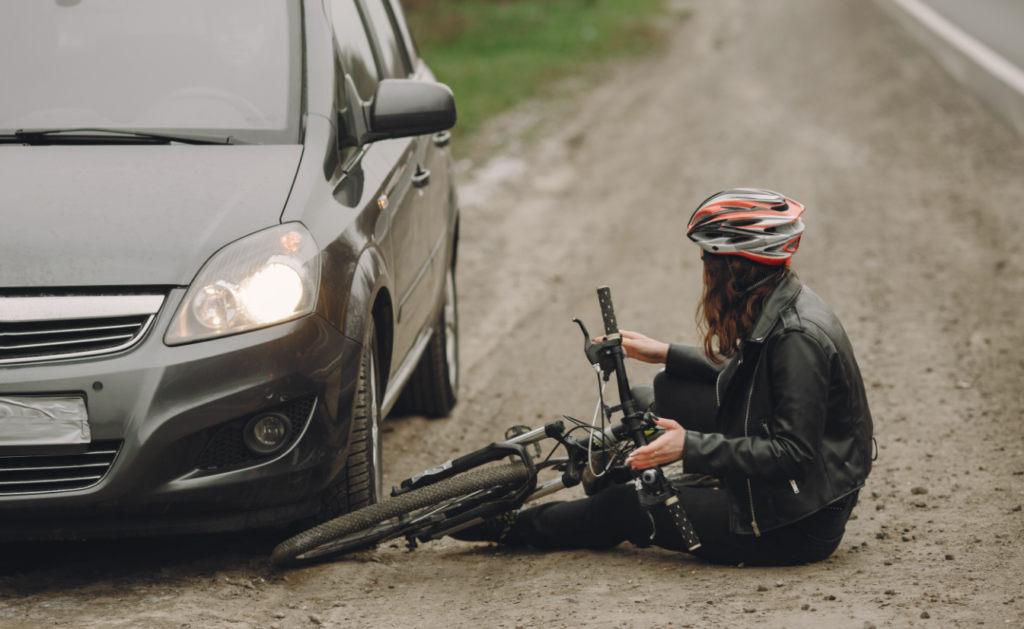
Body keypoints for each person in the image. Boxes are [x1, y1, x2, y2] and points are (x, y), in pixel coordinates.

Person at [454, 188, 874, 567]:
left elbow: (792, 455)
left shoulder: (798, 338)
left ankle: (517, 526)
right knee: (659, 392)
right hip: (791, 491)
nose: (705, 270)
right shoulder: (776, 301)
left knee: (624, 504)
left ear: (738, 269)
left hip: (793, 522)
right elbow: (748, 375)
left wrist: (690, 447)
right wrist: (663, 353)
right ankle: (632, 472)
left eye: (709, 259)